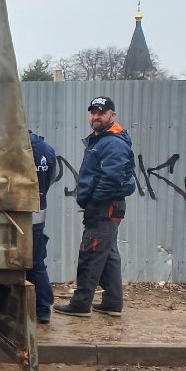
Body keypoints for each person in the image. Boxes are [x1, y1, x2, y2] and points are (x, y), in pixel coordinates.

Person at [54, 96, 137, 318]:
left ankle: (81, 304)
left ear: (112, 114)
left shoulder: (113, 142)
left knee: (91, 252)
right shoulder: (102, 140)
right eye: (93, 112)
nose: (96, 116)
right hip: (107, 206)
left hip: (104, 207)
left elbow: (111, 177)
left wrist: (94, 202)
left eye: (101, 112)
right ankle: (112, 302)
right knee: (107, 253)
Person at [28, 129, 57, 323]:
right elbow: (51, 177)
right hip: (37, 213)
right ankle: (43, 309)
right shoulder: (47, 149)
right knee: (37, 264)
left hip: (12, 215)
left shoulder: (10, 149)